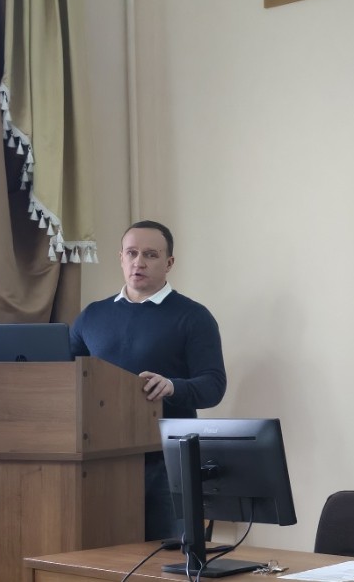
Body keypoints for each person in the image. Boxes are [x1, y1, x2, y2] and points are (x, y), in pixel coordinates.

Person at [69, 219, 227, 541]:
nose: (138, 262)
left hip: (169, 461)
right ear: (121, 258)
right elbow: (65, 376)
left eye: (150, 255)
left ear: (169, 263)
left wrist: (173, 386)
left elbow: (213, 386)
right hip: (102, 460)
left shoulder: (194, 316)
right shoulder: (92, 316)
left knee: (171, 557)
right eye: (131, 253)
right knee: (107, 556)